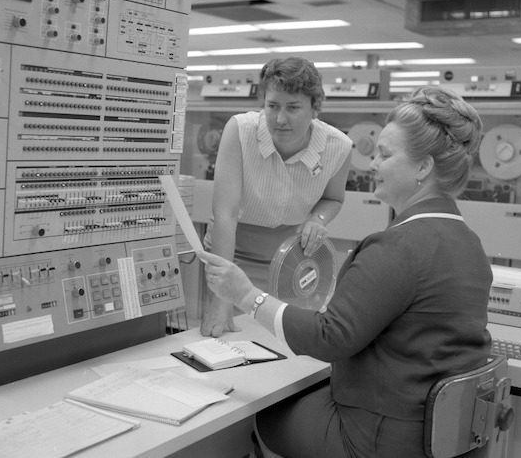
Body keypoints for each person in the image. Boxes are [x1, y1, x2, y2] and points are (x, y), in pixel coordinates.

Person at [199, 85, 492, 457]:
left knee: (261, 414)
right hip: (437, 434)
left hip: (377, 439)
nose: (371, 164)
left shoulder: (399, 246)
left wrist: (246, 295)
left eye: (384, 155)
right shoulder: (468, 242)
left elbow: (329, 338)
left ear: (423, 166)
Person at [200, 57, 352, 338]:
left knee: (282, 345)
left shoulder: (338, 147)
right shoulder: (240, 131)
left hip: (291, 262)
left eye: (293, 108)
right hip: (232, 255)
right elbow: (225, 215)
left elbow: (334, 199)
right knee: (224, 341)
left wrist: (317, 220)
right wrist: (220, 297)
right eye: (272, 106)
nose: (280, 119)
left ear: (315, 108)